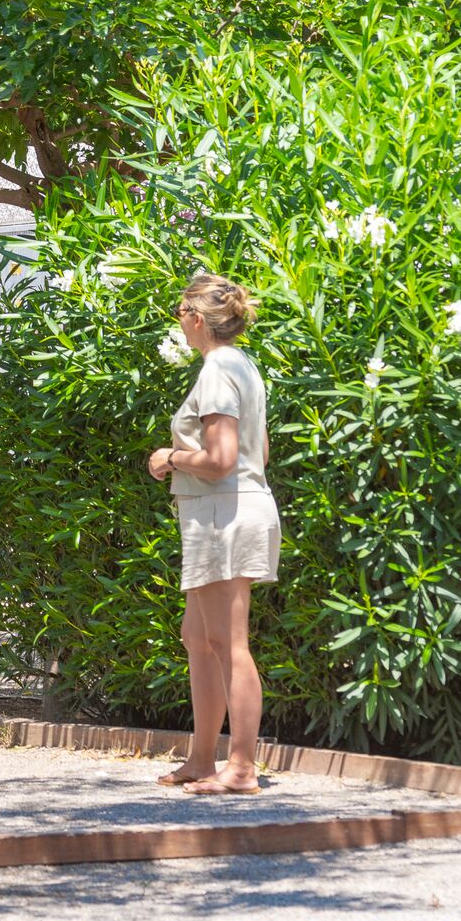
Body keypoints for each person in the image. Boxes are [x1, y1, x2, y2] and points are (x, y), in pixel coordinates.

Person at [146, 274, 280, 795]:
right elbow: (258, 452)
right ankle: (203, 758)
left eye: (181, 311)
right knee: (199, 639)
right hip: (223, 513)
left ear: (197, 319)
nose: (178, 320)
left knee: (228, 643)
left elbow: (222, 460)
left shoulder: (219, 369)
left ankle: (241, 767)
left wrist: (170, 458)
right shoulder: (241, 366)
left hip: (224, 514)